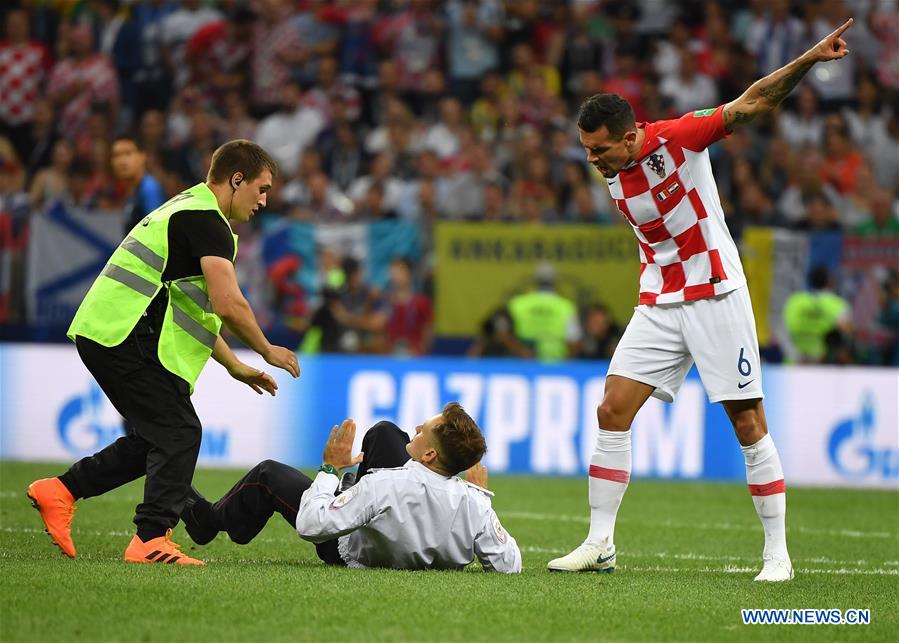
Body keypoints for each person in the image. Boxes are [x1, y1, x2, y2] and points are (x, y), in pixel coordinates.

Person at [548, 17, 857, 583]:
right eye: (587, 151)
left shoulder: (680, 136)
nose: (593, 161)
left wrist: (809, 59)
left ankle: (777, 556)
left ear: (629, 134)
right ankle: (600, 543)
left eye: (599, 150)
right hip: (660, 298)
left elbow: (753, 103)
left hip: (716, 292)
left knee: (747, 422)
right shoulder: (613, 167)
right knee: (611, 409)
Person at [27, 139, 301, 566]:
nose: (264, 200)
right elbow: (229, 304)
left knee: (156, 437)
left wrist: (234, 365)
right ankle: (151, 539)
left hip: (107, 331)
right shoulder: (207, 221)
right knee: (180, 432)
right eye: (261, 188)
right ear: (236, 179)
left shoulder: (187, 208)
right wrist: (266, 349)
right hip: (123, 332)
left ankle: (59, 491)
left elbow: (196, 312)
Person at [179, 404, 522, 573]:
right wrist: (481, 497)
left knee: (267, 473)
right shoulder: (474, 502)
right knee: (386, 432)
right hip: (418, 507)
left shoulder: (384, 483)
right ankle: (347, 485)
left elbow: (312, 526)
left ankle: (205, 521)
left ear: (430, 455)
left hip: (347, 548)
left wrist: (330, 470)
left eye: (424, 430)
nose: (416, 427)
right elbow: (510, 565)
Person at [508, 263, 581, 361]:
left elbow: (505, 335)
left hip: (523, 362)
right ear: (555, 281)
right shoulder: (565, 307)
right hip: (556, 363)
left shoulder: (518, 304)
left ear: (535, 280)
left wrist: (521, 351)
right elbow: (574, 341)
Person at [783, 265, 851, 363]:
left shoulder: (795, 301)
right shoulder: (838, 305)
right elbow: (843, 339)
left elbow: (783, 331)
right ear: (829, 281)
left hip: (792, 364)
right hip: (822, 366)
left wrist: (796, 355)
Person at [111, 134, 166, 233]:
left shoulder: (149, 189)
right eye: (117, 155)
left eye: (128, 153)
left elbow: (156, 233)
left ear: (142, 156)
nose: (122, 161)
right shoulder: (132, 191)